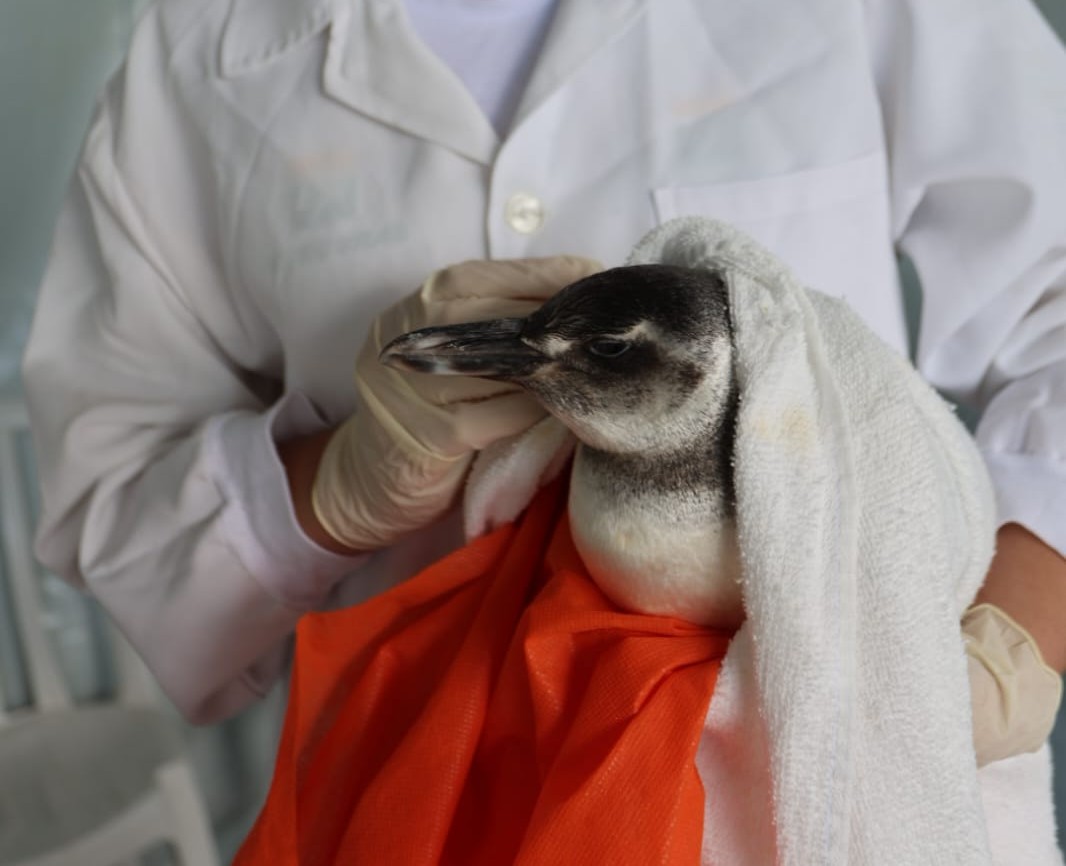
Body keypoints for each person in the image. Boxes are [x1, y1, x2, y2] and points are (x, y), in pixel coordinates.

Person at [21, 0, 1066, 766]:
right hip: (428, 800)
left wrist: (1001, 660)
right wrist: (331, 487)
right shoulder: (200, 50)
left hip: (843, 785)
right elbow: (116, 506)